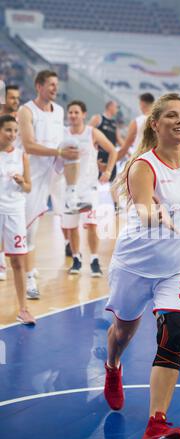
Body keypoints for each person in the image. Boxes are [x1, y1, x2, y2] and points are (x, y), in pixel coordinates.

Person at [103, 93, 180, 439]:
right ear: (155, 124)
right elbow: (142, 209)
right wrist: (159, 215)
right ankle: (112, 365)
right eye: (171, 115)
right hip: (136, 264)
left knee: (175, 335)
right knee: (123, 332)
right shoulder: (144, 166)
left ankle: (156, 423)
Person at [17, 70, 87, 300]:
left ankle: (72, 193)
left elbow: (61, 145)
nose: (55, 88)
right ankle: (29, 278)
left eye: (56, 85)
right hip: (30, 175)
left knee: (72, 143)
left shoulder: (58, 111)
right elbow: (28, 145)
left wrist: (66, 150)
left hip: (53, 172)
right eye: (50, 84)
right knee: (28, 233)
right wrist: (58, 151)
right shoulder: (26, 111)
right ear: (39, 86)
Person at [62, 100, 118, 277]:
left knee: (91, 224)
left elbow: (113, 150)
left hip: (89, 187)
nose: (73, 115)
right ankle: (76, 258)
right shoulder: (62, 133)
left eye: (76, 112)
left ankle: (94, 259)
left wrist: (108, 171)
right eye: (70, 112)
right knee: (71, 228)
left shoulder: (91, 132)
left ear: (83, 114)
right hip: (69, 187)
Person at [0, 115, 35, 325]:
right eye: (8, 130)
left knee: (18, 261)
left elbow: (29, 187)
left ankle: (23, 309)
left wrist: (22, 182)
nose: (12, 134)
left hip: (14, 211)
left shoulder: (22, 156)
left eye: (15, 131)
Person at [0, 85, 21, 281]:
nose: (16, 101)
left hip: (16, 171)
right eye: (12, 98)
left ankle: (27, 268)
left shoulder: (20, 120)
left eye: (17, 98)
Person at [89, 100, 124, 212]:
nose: (117, 109)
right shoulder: (98, 118)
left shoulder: (114, 123)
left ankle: (117, 206)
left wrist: (129, 151)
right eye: (116, 107)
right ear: (109, 107)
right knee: (92, 179)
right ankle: (89, 205)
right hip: (98, 154)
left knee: (113, 181)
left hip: (111, 155)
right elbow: (86, 132)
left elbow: (119, 139)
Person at [117, 93, 155, 160]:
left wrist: (110, 164)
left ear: (142, 103)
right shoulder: (161, 120)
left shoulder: (137, 122)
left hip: (140, 160)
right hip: (156, 161)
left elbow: (125, 148)